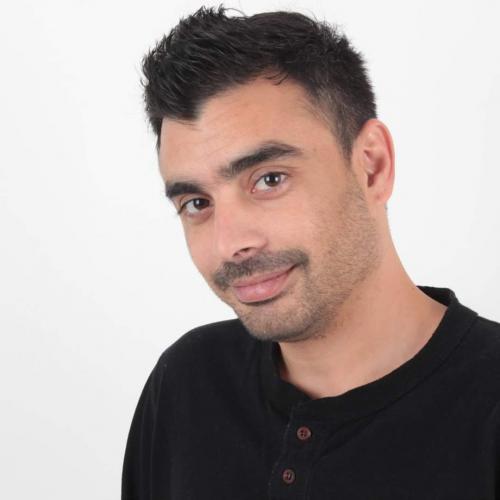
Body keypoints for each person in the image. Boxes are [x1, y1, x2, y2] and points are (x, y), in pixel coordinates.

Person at [122, 5, 500, 499]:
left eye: (269, 179)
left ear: (372, 166)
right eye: (197, 203)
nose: (230, 243)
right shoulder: (187, 383)